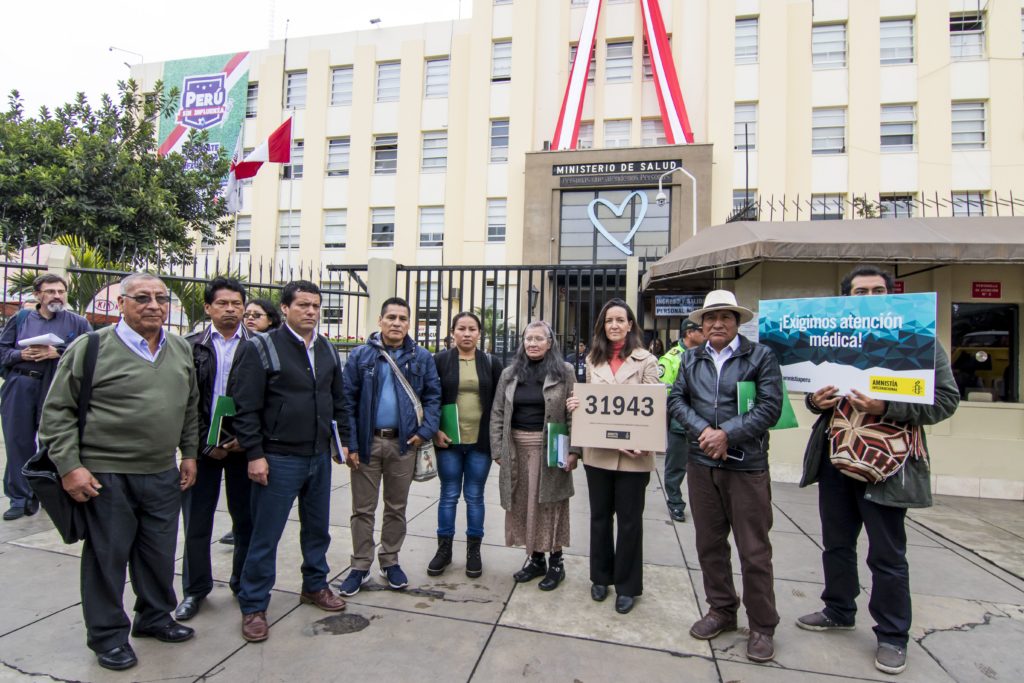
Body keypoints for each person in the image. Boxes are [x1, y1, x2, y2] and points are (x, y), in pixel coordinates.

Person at [796, 266, 960, 676]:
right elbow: (814, 400)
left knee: (887, 555)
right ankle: (838, 609)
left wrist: (885, 407)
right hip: (837, 459)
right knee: (836, 543)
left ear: (890, 294)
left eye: (877, 289)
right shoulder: (834, 340)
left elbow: (945, 401)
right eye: (860, 291)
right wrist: (816, 401)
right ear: (847, 298)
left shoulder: (918, 340)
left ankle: (892, 635)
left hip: (888, 466)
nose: (869, 294)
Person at [37, 273, 199, 671]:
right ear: (121, 304)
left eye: (161, 298)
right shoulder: (91, 347)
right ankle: (108, 636)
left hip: (162, 472)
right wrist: (70, 467)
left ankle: (155, 617)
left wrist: (190, 453)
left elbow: (190, 406)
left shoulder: (178, 348)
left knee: (159, 554)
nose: (153, 305)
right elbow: (57, 411)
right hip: (105, 475)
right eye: (142, 297)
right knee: (107, 559)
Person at [667, 289, 783, 664]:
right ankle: (721, 609)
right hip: (702, 465)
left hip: (746, 466)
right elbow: (676, 400)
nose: (717, 324)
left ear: (737, 322)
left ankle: (762, 626)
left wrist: (727, 433)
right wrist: (705, 431)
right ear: (701, 325)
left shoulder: (760, 356)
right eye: (711, 318)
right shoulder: (690, 359)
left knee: (754, 550)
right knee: (709, 544)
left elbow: (770, 406)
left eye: (726, 317)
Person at [231, 280, 350, 643]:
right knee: (265, 535)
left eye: (315, 305)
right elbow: (245, 407)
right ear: (285, 309)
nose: (311, 311)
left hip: (317, 456)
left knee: (317, 530)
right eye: (303, 305)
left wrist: (342, 444)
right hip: (278, 458)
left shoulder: (327, 348)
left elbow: (338, 400)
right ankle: (253, 605)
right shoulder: (262, 347)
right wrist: (255, 454)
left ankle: (314, 585)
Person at [338, 297, 441, 596]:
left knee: (397, 507)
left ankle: (390, 560)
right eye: (391, 317)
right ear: (380, 321)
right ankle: (359, 565)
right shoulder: (360, 356)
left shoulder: (422, 357)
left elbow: (434, 396)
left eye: (402, 318)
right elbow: (347, 400)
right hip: (367, 444)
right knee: (363, 509)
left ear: (409, 324)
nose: (396, 323)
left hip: (404, 444)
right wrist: (350, 443)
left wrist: (425, 431)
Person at [567, 299, 660, 614]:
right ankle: (600, 577)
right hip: (599, 454)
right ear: (602, 326)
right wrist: (576, 406)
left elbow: (652, 407)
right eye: (609, 321)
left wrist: (640, 440)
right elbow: (592, 403)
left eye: (620, 320)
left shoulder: (647, 360)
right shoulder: (592, 359)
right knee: (599, 518)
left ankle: (627, 586)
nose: (615, 325)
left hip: (634, 455)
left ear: (630, 324)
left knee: (631, 521)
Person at [175, 278, 253, 622]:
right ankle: (195, 589)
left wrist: (247, 438)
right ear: (208, 308)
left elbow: (268, 400)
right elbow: (181, 403)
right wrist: (194, 446)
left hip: (243, 447)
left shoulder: (261, 345)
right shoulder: (188, 346)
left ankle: (242, 583)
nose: (230, 310)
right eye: (222, 303)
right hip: (201, 448)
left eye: (236, 304)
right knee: (196, 521)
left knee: (246, 521)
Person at [490, 321, 579, 591]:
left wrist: (573, 451)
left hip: (552, 447)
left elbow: (572, 413)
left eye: (539, 338)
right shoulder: (509, 373)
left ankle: (556, 562)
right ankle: (536, 559)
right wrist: (497, 449)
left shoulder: (565, 372)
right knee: (525, 505)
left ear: (549, 343)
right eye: (528, 338)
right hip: (516, 448)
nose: (533, 343)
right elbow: (497, 413)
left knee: (551, 504)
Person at [0, 274, 91, 520]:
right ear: (38, 294)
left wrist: (58, 352)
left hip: (56, 387)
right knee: (17, 441)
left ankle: (52, 494)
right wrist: (22, 355)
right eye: (50, 291)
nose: (57, 296)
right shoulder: (20, 319)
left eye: (61, 291)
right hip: (21, 384)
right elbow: (2, 352)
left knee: (55, 441)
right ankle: (20, 499)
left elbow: (91, 356)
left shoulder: (79, 323)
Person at [429, 312, 504, 578]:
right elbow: (429, 397)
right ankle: (444, 550)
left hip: (479, 443)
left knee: (474, 496)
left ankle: (474, 550)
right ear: (453, 332)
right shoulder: (439, 360)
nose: (467, 333)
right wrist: (434, 430)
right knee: (449, 494)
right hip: (448, 441)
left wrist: (497, 441)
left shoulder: (490, 362)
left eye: (472, 329)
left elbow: (499, 403)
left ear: (479, 334)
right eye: (461, 328)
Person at [218, 297, 280, 547]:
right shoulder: (238, 344)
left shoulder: (273, 348)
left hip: (259, 438)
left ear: (272, 320)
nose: (251, 318)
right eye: (249, 314)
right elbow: (230, 396)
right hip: (231, 431)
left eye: (258, 315)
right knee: (239, 502)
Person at [657, 319, 706, 522]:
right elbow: (662, 391)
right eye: (700, 330)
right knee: (676, 466)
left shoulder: (707, 353)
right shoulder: (671, 359)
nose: (705, 333)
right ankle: (675, 502)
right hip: (681, 422)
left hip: (706, 422)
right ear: (689, 333)